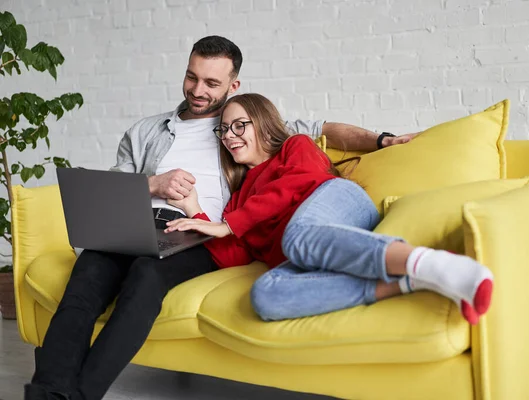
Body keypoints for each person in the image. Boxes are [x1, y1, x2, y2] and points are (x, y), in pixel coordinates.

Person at [25, 36, 419, 400]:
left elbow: (323, 131)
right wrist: (154, 183)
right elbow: (111, 187)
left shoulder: (244, 126)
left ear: (233, 85)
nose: (198, 91)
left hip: (196, 233)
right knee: (85, 283)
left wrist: (382, 140)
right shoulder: (144, 131)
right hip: (135, 219)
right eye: (192, 77)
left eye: (212, 83)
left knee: (146, 276)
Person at [165, 93, 494, 328]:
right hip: (305, 254)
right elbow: (233, 256)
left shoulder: (295, 146)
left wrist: (230, 223)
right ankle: (413, 281)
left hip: (340, 203)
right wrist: (196, 211)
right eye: (223, 129)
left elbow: (300, 182)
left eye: (240, 126)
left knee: (297, 237)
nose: (229, 136)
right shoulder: (238, 199)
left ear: (263, 125)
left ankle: (434, 261)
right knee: (266, 296)